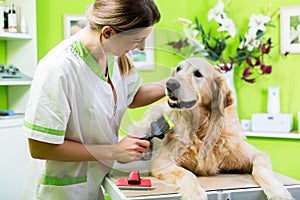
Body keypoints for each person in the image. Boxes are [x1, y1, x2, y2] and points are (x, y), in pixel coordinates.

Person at [22, 0, 164, 199]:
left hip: (95, 183)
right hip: (60, 190)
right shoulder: (58, 68)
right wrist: (114, 151)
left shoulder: (114, 56)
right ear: (108, 33)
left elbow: (132, 96)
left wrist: (171, 84)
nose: (141, 48)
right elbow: (40, 147)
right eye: (137, 39)